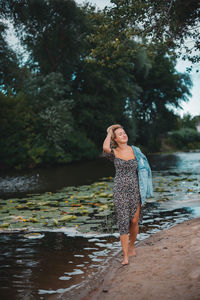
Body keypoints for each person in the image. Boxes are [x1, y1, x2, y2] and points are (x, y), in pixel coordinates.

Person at [102, 124, 153, 265]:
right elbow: (105, 148)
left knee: (134, 221)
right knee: (123, 222)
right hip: (120, 191)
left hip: (136, 190)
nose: (124, 135)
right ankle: (125, 256)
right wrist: (110, 131)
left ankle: (131, 246)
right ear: (115, 139)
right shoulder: (114, 152)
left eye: (124, 132)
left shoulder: (135, 151)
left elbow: (145, 169)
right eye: (120, 134)